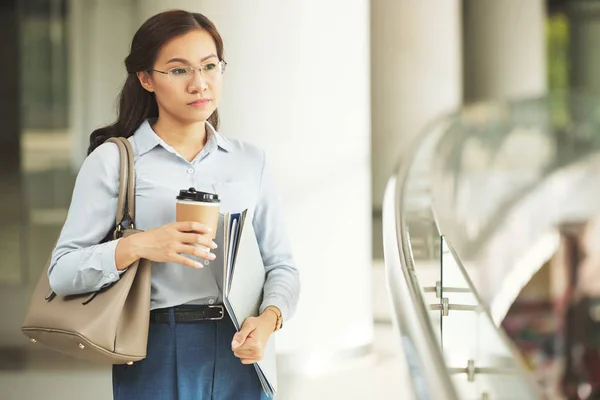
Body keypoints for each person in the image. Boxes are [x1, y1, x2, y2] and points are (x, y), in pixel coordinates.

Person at [47, 9, 300, 400]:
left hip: (244, 350)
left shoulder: (251, 161)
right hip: (155, 348)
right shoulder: (114, 162)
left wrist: (269, 320)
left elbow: (281, 265)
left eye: (210, 66)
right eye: (179, 70)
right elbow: (62, 272)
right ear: (146, 78)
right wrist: (140, 245)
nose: (200, 84)